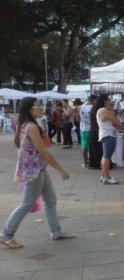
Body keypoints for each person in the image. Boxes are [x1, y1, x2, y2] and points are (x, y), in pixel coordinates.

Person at [0, 97, 75, 249]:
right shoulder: (32, 127)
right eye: (37, 106)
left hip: (37, 168)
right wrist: (61, 170)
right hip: (33, 171)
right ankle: (6, 234)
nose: (41, 108)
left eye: (40, 105)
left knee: (51, 199)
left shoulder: (27, 124)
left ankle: (56, 231)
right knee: (27, 203)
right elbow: (43, 151)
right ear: (29, 110)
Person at [94, 94, 120, 185]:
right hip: (108, 134)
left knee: (105, 156)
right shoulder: (104, 110)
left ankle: (104, 175)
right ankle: (106, 177)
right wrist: (115, 120)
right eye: (109, 99)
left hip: (106, 134)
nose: (111, 101)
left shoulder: (102, 110)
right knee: (107, 156)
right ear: (105, 101)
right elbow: (117, 122)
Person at [79, 95, 97, 168]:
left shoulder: (81, 106)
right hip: (92, 128)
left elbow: (79, 117)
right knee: (92, 146)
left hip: (83, 128)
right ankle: (91, 162)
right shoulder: (93, 107)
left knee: (84, 146)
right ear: (93, 100)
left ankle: (85, 163)